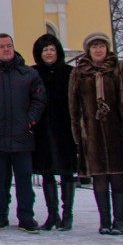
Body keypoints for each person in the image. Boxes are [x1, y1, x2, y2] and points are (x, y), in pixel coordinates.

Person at [0, 32, 47, 233]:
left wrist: (30, 120)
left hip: (22, 136)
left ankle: (26, 217)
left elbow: (39, 99)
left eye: (9, 45)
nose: (6, 49)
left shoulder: (28, 74)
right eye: (2, 46)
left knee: (24, 181)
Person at [69, 31, 123, 235]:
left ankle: (119, 221)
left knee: (117, 177)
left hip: (117, 132)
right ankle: (104, 220)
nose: (98, 49)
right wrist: (78, 132)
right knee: (99, 178)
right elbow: (74, 105)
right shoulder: (79, 72)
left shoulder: (120, 69)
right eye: (94, 46)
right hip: (92, 133)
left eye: (101, 45)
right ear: (88, 50)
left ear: (107, 48)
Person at [31, 33, 77, 232]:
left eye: (51, 49)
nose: (48, 53)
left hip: (65, 127)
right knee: (47, 171)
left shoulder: (69, 72)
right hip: (42, 128)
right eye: (45, 50)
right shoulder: (34, 73)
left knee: (66, 171)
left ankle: (67, 214)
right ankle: (52, 213)